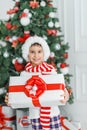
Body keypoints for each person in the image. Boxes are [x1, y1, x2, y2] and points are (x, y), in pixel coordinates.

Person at [5, 36, 69, 130]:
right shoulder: (25, 74)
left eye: (39, 51)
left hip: (52, 113)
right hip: (35, 115)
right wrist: (11, 99)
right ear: (27, 53)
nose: (36, 55)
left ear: (44, 53)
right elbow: (20, 94)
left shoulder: (51, 71)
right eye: (32, 52)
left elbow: (59, 89)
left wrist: (65, 95)